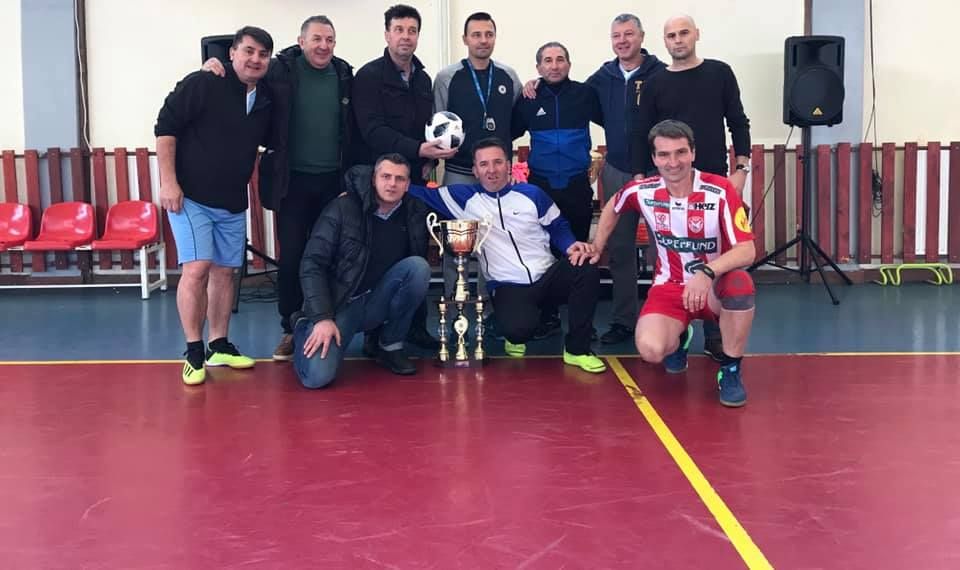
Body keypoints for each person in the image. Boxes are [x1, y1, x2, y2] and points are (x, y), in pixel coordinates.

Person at [202, 15, 359, 363]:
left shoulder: (345, 74)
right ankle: (291, 327)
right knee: (293, 257)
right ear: (301, 42)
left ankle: (326, 322)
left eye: (329, 40)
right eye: (316, 39)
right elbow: (244, 73)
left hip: (334, 183)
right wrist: (213, 66)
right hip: (292, 182)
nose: (323, 46)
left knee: (332, 256)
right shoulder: (279, 70)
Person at [406, 137, 606, 374]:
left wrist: (571, 246)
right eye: (484, 164)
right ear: (475, 171)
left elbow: (557, 225)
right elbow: (415, 192)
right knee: (518, 331)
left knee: (586, 266)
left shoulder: (532, 194)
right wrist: (388, 180)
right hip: (508, 286)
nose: (491, 170)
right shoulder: (462, 198)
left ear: (508, 165)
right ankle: (518, 328)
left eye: (497, 162)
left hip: (547, 277)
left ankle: (577, 350)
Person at [594, 120, 756, 407]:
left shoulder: (720, 190)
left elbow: (747, 250)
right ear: (654, 158)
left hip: (714, 287)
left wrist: (707, 272)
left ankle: (730, 370)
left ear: (693, 153)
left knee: (741, 285)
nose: (673, 162)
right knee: (651, 350)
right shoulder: (643, 190)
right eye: (664, 155)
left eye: (680, 152)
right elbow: (613, 206)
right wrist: (597, 246)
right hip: (670, 287)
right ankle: (680, 337)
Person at [628, 14, 752, 360]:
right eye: (671, 35)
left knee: (721, 254)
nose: (678, 40)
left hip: (715, 180)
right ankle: (677, 325)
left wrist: (741, 169)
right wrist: (638, 178)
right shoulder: (654, 83)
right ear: (664, 41)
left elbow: (738, 122)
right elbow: (641, 132)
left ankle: (715, 332)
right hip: (670, 184)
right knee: (673, 254)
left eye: (684, 33)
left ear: (696, 34)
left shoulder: (720, 72)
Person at [155, 26, 274, 386]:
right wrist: (168, 182)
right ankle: (194, 351)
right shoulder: (204, 82)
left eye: (263, 54)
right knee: (197, 268)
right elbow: (165, 128)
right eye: (248, 51)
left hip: (232, 200)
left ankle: (218, 344)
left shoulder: (265, 98)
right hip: (191, 197)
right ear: (232, 53)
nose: (255, 59)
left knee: (225, 272)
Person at [352, 3, 454, 349]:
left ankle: (413, 326)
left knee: (415, 249)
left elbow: (427, 128)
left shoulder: (423, 79)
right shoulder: (368, 77)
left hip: (415, 182)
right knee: (379, 254)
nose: (405, 37)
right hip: (380, 181)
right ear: (387, 34)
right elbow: (372, 131)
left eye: (412, 30)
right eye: (399, 30)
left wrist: (426, 160)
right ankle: (375, 333)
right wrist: (418, 149)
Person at [293, 154, 431, 389]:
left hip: (377, 300)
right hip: (340, 304)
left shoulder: (415, 210)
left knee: (418, 267)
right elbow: (312, 263)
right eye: (386, 176)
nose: (392, 184)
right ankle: (303, 327)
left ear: (408, 184)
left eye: (399, 179)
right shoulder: (343, 207)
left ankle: (390, 346)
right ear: (373, 179)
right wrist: (322, 317)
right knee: (317, 378)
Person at [512, 41, 603, 339]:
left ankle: (581, 325)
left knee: (580, 254)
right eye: (548, 61)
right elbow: (506, 131)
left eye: (560, 59)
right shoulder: (528, 98)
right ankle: (548, 318)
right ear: (538, 67)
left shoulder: (586, 94)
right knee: (544, 255)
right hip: (542, 188)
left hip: (576, 186)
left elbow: (616, 121)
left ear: (569, 64)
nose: (554, 65)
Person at [586, 13, 666, 345]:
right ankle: (624, 321)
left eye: (629, 34)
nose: (622, 41)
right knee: (619, 249)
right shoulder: (602, 78)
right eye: (616, 35)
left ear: (642, 37)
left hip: (659, 172)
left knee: (664, 250)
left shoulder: (661, 74)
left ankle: (667, 317)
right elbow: (575, 96)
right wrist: (535, 84)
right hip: (618, 170)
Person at [432, 11, 521, 308]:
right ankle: (452, 304)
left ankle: (488, 305)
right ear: (465, 39)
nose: (483, 40)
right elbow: (438, 121)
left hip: (495, 174)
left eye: (488, 34)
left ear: (495, 37)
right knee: (453, 242)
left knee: (492, 241)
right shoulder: (447, 77)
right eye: (477, 35)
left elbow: (515, 120)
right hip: (459, 171)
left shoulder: (508, 76)